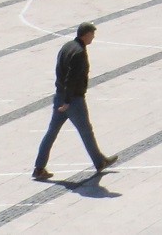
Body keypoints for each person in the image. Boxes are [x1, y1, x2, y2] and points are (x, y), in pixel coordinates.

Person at [32, 23, 113, 181]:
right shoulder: (79, 52)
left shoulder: (67, 46)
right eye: (92, 34)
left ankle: (39, 168)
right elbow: (72, 78)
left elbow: (59, 71)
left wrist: (62, 98)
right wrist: (68, 101)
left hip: (59, 96)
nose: (93, 38)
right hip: (73, 100)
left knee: (51, 133)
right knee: (86, 132)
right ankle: (99, 162)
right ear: (86, 34)